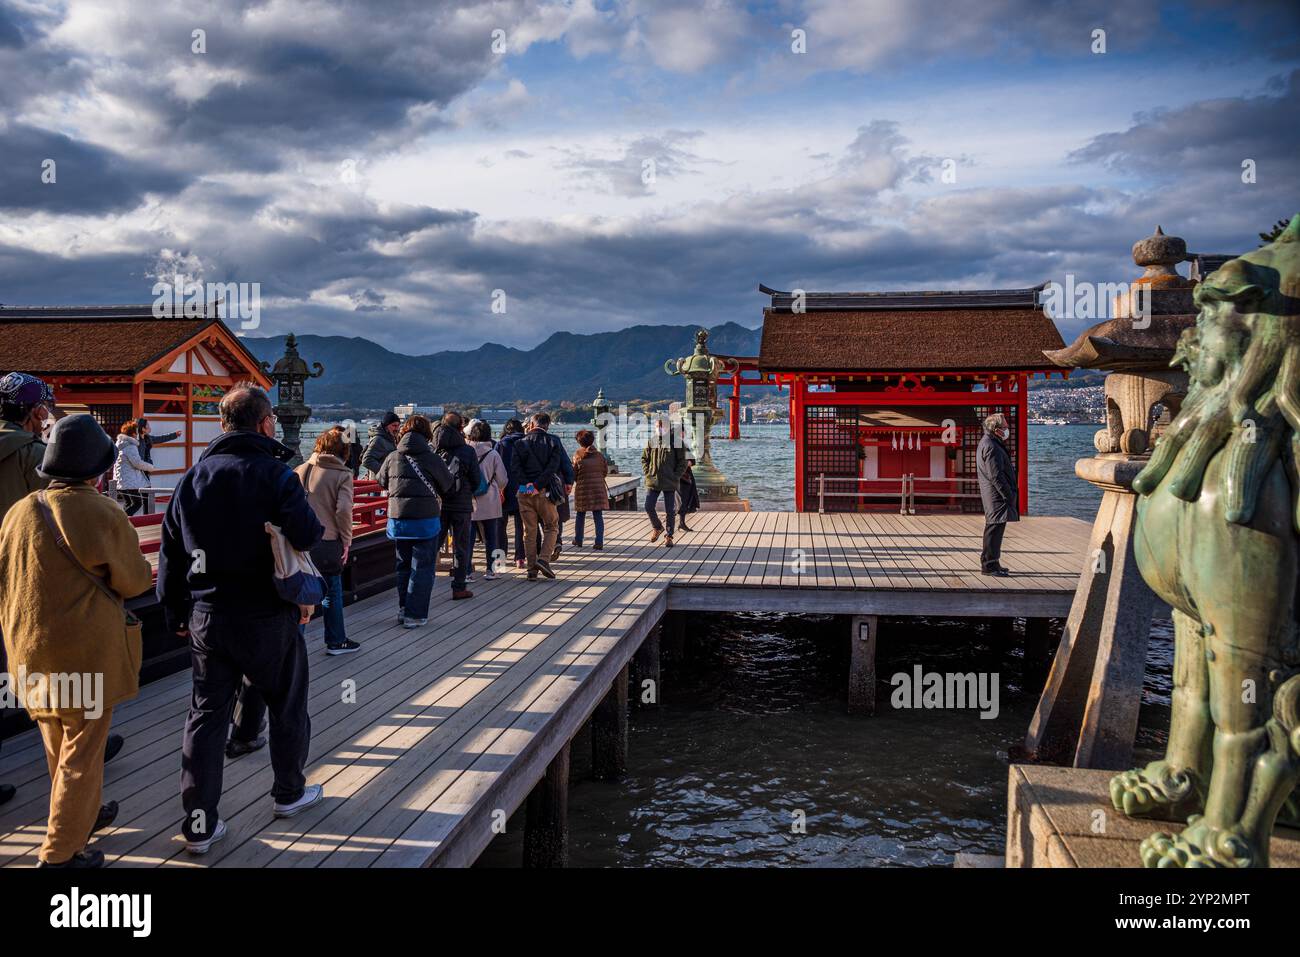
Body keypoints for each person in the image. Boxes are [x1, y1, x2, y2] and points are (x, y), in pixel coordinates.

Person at [158, 382, 325, 855]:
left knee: (206, 717)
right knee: (286, 703)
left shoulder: (192, 479)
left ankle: (199, 825)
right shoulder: (275, 475)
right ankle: (289, 793)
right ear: (266, 422)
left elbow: (172, 553)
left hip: (209, 615)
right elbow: (308, 535)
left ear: (222, 424)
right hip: (268, 611)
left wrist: (175, 610)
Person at [0, 414, 154, 867]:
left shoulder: (19, 511)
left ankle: (81, 817)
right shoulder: (102, 511)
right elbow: (134, 580)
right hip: (85, 653)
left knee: (59, 747)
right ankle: (59, 855)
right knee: (81, 754)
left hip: (28, 648)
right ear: (97, 468)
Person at [375, 414, 453, 626]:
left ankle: (403, 608)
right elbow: (447, 486)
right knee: (422, 568)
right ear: (426, 434)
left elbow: (380, 481)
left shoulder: (392, 456)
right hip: (425, 520)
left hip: (398, 519)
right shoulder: (432, 458)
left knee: (403, 565)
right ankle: (415, 614)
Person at [295, 426, 357, 654]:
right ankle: (336, 640)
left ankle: (296, 645)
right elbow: (343, 510)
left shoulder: (300, 470)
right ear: (344, 450)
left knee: (301, 595)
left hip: (301, 543)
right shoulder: (342, 475)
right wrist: (347, 540)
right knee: (331, 591)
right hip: (328, 541)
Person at [431, 412, 482, 600]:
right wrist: (467, 491)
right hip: (461, 505)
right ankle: (459, 587)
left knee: (434, 545)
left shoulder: (434, 449)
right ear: (461, 427)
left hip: (438, 504)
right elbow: (477, 480)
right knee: (461, 547)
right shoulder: (467, 450)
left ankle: (425, 582)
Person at [507, 412, 563, 581]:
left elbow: (515, 468)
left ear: (531, 425)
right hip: (544, 491)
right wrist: (538, 485)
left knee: (529, 531)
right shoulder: (554, 441)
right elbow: (552, 468)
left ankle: (531, 569)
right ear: (548, 425)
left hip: (524, 492)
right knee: (552, 526)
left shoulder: (519, 443)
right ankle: (544, 560)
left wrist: (528, 485)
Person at [976, 412, 1019, 577]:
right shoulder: (991, 446)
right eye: (1005, 427)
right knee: (994, 528)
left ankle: (994, 561)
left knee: (996, 528)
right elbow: (995, 475)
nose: (1007, 430)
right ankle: (989, 565)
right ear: (996, 429)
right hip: (996, 495)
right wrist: (1008, 494)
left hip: (995, 494)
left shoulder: (991, 443)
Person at [466, 419, 507, 580]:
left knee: (467, 539)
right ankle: (493, 570)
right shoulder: (493, 454)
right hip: (490, 500)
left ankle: (466, 572)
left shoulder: (465, 452)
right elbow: (503, 480)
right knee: (492, 537)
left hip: (469, 500)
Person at [641, 415, 687, 548]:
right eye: (657, 426)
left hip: (669, 481)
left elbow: (682, 463)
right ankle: (657, 527)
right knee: (648, 506)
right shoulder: (652, 441)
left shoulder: (676, 442)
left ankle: (669, 535)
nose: (659, 429)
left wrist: (675, 476)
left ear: (668, 427)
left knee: (670, 510)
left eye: (662, 426)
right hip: (653, 480)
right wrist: (648, 472)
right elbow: (644, 458)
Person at [497, 418, 527, 568]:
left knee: (500, 526)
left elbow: (495, 468)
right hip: (522, 489)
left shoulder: (501, 445)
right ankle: (520, 558)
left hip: (503, 489)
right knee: (520, 526)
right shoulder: (526, 443)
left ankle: (500, 559)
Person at [571, 429, 608, 550]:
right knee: (598, 515)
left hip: (583, 489)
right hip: (598, 489)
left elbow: (574, 474)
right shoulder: (599, 455)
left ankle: (578, 539)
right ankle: (599, 541)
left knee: (580, 514)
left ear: (579, 442)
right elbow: (604, 471)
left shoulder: (577, 455)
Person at [113, 421, 157, 516]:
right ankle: (119, 521)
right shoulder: (130, 446)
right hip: (129, 481)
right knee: (137, 503)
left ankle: (124, 524)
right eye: (136, 432)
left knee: (129, 503)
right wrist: (150, 467)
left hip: (120, 480)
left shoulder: (119, 444)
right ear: (133, 433)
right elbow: (137, 463)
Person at [362, 411, 400, 478]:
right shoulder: (378, 440)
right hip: (378, 483)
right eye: (394, 426)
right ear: (386, 427)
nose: (397, 429)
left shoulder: (391, 439)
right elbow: (366, 460)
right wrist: (385, 472)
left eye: (398, 425)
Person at [678, 455, 701, 532]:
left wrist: (689, 462)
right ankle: (671, 528)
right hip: (678, 477)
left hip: (687, 477)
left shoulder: (684, 447)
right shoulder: (671, 448)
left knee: (686, 500)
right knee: (681, 501)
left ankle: (681, 523)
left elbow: (693, 461)